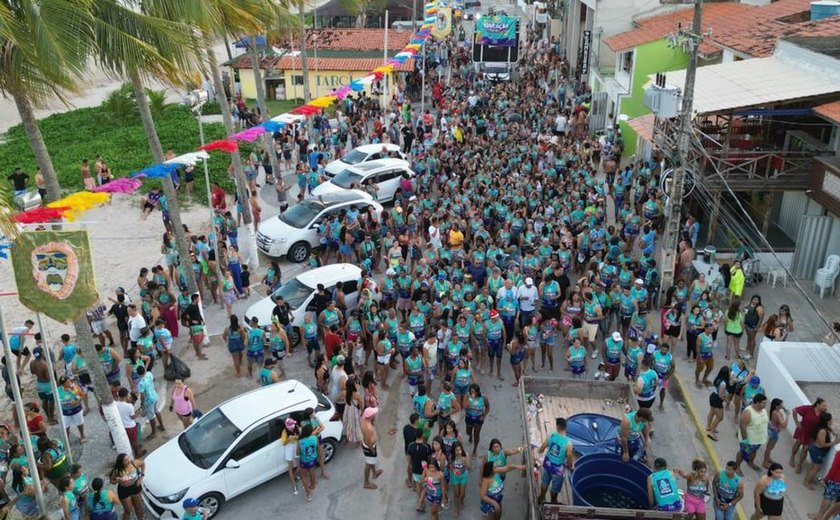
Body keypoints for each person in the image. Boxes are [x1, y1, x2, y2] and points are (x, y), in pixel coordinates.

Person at [538, 417, 575, 504]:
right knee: (555, 487)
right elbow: (569, 456)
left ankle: (542, 497)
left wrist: (540, 450)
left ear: (557, 426)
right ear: (565, 427)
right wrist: (570, 465)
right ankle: (553, 501)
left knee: (544, 482)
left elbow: (542, 448)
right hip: (558, 469)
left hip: (547, 464)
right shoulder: (568, 443)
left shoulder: (551, 436)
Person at [791, 397, 828, 474]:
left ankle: (800, 464)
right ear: (817, 404)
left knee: (805, 450)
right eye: (824, 405)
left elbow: (827, 422)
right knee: (797, 444)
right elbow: (794, 410)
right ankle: (792, 457)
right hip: (802, 430)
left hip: (811, 434)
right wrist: (797, 422)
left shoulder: (823, 414)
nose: (825, 407)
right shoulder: (808, 408)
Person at [736, 393, 769, 475]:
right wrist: (745, 440)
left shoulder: (764, 410)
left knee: (754, 451)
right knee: (742, 453)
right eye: (764, 403)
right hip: (749, 439)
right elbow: (742, 426)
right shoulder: (748, 412)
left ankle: (751, 462)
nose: (765, 404)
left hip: (759, 439)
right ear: (757, 403)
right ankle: (737, 466)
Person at [804, 413, 839, 489]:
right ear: (827, 421)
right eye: (831, 419)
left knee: (814, 467)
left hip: (819, 451)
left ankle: (809, 479)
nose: (832, 420)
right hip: (817, 451)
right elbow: (822, 444)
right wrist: (835, 442)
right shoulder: (822, 431)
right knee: (815, 468)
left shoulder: (826, 428)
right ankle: (806, 482)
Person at [810, 445, 840, 520]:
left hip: (835, 480)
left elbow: (833, 469)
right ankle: (821, 515)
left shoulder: (839, 454)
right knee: (832, 498)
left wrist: (826, 479)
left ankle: (819, 515)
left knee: (827, 498)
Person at [136, 365, 165, 439]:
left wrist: (142, 404)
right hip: (154, 396)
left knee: (151, 417)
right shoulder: (149, 374)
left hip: (148, 401)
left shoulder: (141, 384)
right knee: (157, 411)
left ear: (138, 374)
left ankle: (154, 432)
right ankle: (162, 426)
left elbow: (142, 396)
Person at [58, 375, 86, 443]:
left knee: (79, 423)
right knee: (66, 426)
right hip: (65, 411)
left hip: (76, 409)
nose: (69, 382)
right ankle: (67, 439)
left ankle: (82, 435)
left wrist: (77, 401)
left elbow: (82, 395)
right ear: (63, 384)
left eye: (69, 381)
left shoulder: (75, 387)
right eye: (67, 382)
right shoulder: (58, 390)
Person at [361, 406, 384, 490]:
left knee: (371, 461)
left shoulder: (363, 418)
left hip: (366, 444)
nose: (375, 414)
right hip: (369, 447)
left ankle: (374, 473)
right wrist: (372, 450)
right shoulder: (368, 428)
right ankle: (366, 483)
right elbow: (369, 441)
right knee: (369, 463)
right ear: (371, 416)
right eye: (374, 414)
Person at [115, 388, 142, 456]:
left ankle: (134, 449)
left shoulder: (116, 404)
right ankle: (137, 453)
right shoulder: (129, 406)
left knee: (129, 440)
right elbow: (132, 417)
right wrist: (138, 413)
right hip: (130, 426)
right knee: (134, 440)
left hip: (123, 426)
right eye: (129, 395)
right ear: (126, 396)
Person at [707, 365, 731, 441]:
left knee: (712, 412)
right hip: (717, 399)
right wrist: (726, 400)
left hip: (713, 396)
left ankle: (709, 426)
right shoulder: (723, 384)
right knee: (720, 417)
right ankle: (712, 432)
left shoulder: (717, 378)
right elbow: (721, 395)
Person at [763, 398, 787, 469]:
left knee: (770, 446)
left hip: (774, 430)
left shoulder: (775, 412)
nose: (782, 405)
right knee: (769, 447)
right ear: (777, 406)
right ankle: (765, 462)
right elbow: (783, 425)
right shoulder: (776, 413)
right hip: (774, 432)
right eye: (781, 404)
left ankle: (768, 458)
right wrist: (788, 416)